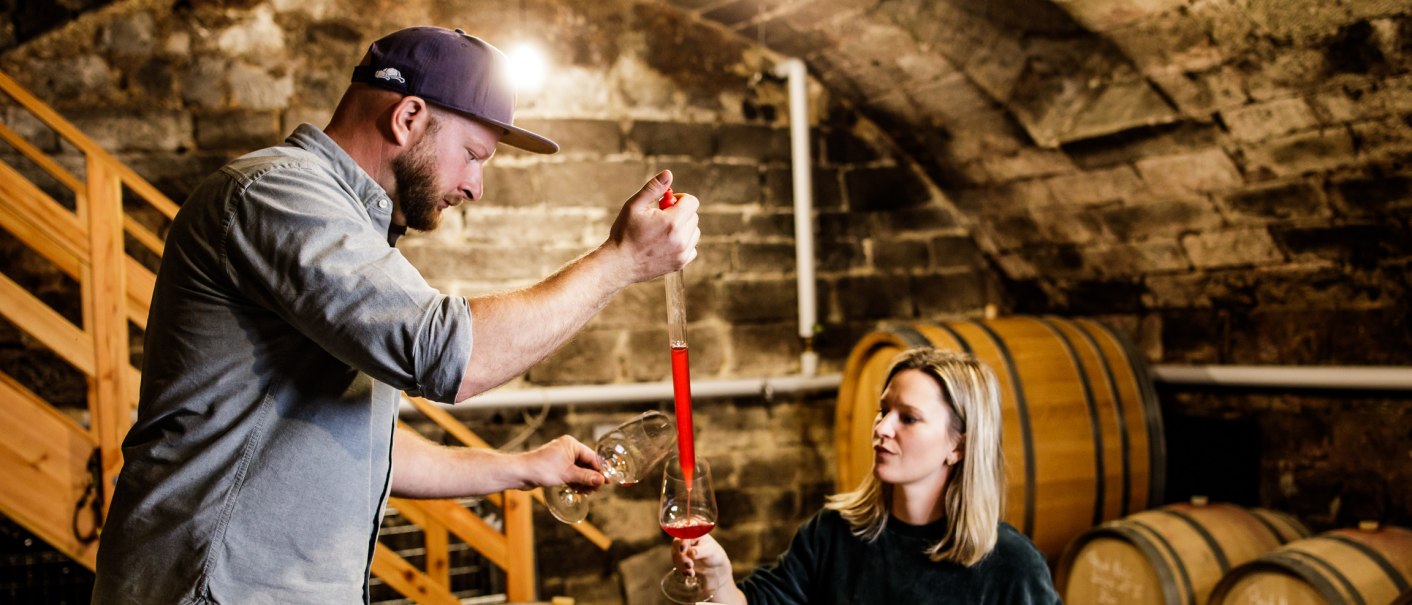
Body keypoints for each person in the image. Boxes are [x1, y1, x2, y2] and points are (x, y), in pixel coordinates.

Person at [93, 26, 700, 604]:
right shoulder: (275, 194)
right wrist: (622, 260)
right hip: (210, 588)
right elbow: (450, 358)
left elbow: (356, 441)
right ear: (408, 118)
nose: (475, 187)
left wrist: (519, 467)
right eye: (472, 154)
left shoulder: (349, 230)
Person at [672, 348, 1060, 604]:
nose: (882, 428)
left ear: (958, 447)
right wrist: (720, 579)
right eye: (883, 410)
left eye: (907, 418)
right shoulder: (833, 533)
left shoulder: (1012, 567)